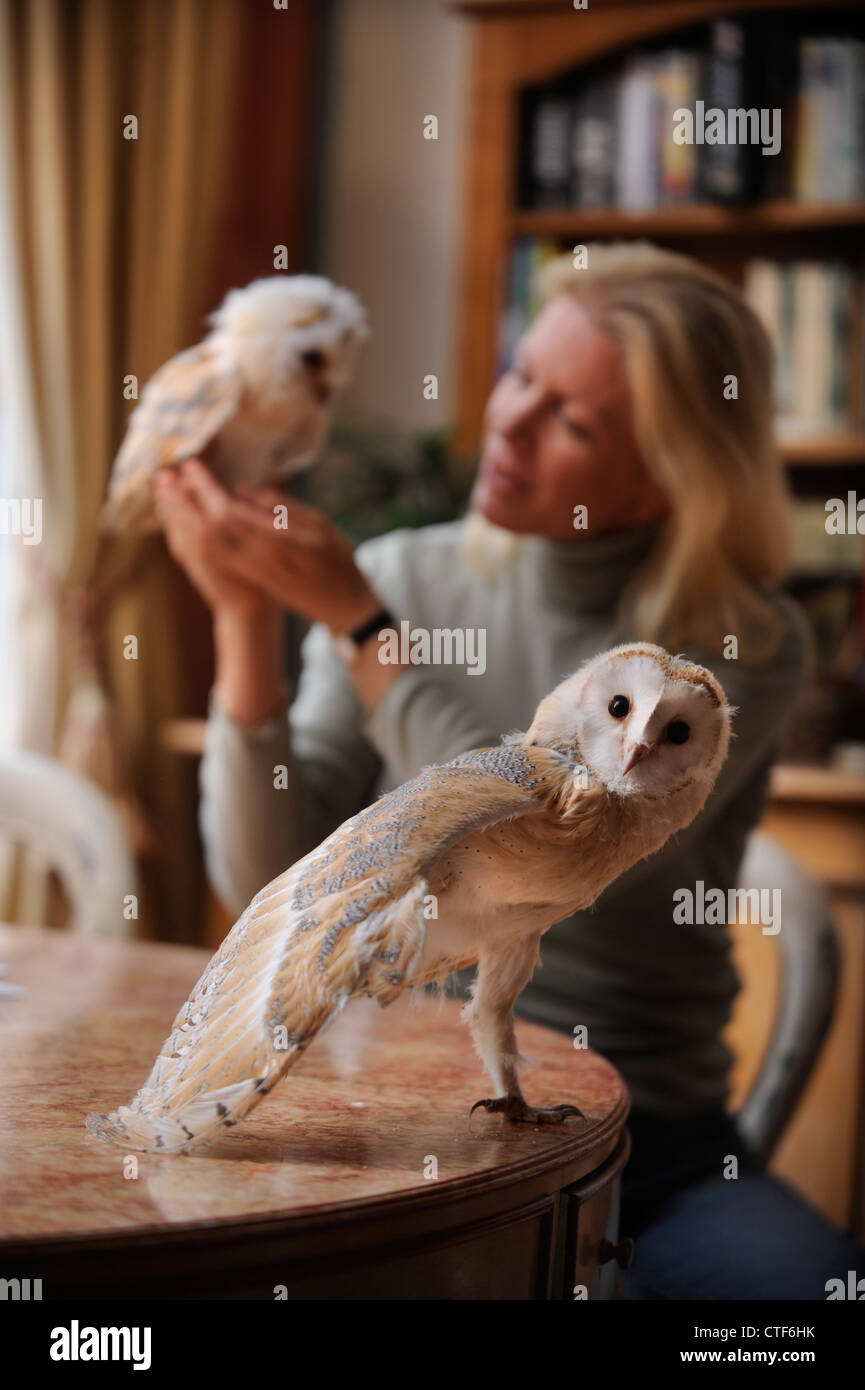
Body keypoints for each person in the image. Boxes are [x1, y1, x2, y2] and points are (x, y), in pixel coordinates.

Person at [153, 242, 864, 1299]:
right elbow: (265, 864)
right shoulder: (403, 576)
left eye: (570, 420)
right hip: (393, 1104)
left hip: (645, 1140)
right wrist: (245, 619)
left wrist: (363, 633)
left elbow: (541, 826)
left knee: (806, 1309)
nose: (507, 423)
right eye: (522, 372)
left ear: (669, 468)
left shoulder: (737, 645)